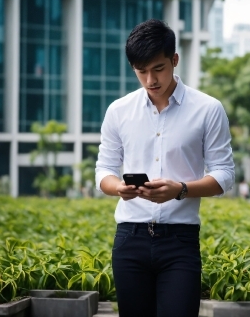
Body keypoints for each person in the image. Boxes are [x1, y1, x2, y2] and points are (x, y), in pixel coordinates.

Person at [95, 19, 235, 317]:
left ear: (174, 60)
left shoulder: (208, 109)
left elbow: (225, 173)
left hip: (180, 243)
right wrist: (119, 188)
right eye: (141, 71)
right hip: (129, 239)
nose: (150, 80)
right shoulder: (118, 111)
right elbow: (103, 170)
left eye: (158, 68)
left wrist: (181, 190)